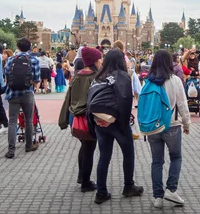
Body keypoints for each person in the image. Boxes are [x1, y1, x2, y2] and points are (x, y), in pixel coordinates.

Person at [87, 48, 144, 204]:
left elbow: (90, 99)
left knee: (104, 156)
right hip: (116, 120)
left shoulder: (97, 78)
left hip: (99, 119)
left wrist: (94, 122)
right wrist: (123, 123)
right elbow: (125, 99)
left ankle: (101, 192)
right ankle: (128, 186)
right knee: (128, 153)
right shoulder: (121, 76)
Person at [144, 50, 191, 209]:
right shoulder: (175, 80)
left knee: (156, 161)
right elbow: (182, 105)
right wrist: (186, 124)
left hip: (153, 126)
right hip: (171, 125)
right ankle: (171, 189)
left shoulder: (148, 81)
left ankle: (157, 197)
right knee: (176, 157)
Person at [58, 46, 103, 193]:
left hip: (75, 117)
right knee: (89, 148)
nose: (101, 61)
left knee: (84, 146)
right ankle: (85, 182)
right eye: (99, 59)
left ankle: (81, 176)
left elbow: (68, 98)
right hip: (88, 119)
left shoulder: (77, 75)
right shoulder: (95, 77)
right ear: (94, 61)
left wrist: (63, 119)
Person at [4, 38, 41, 159]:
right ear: (29, 47)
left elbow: (6, 76)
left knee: (12, 121)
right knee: (28, 119)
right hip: (27, 93)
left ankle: (11, 150)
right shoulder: (34, 60)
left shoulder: (10, 59)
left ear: (18, 47)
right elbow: (36, 79)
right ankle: (29, 145)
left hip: (13, 93)